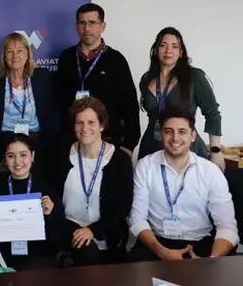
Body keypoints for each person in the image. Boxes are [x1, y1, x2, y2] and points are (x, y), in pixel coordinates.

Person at [128, 105, 238, 261]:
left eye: (182, 132)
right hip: (157, 242)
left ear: (193, 135)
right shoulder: (145, 166)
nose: (175, 138)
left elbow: (227, 226)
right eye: (168, 131)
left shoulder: (210, 171)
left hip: (200, 242)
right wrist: (160, 251)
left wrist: (212, 260)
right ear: (161, 134)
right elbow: (137, 219)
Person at [56, 97, 133, 266]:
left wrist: (93, 230)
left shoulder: (120, 159)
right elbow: (51, 192)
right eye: (79, 123)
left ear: (102, 125)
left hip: (107, 234)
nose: (85, 128)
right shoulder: (62, 153)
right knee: (87, 255)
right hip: (70, 231)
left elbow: (124, 204)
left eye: (91, 122)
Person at [56, 3, 140, 156]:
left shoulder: (116, 60)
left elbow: (130, 106)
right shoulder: (66, 58)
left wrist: (128, 145)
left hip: (109, 142)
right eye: (82, 23)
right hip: (72, 142)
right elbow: (58, 102)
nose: (87, 28)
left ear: (103, 26)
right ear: (76, 27)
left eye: (92, 23)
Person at [137, 27, 224, 169]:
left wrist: (215, 150)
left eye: (174, 46)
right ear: (156, 50)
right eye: (163, 45)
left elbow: (212, 113)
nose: (168, 51)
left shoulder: (194, 77)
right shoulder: (147, 79)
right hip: (152, 147)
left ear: (181, 52)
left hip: (186, 147)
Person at [0, 134, 62, 272]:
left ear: (32, 156)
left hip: (39, 256)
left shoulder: (46, 188)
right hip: (1, 255)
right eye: (11, 156)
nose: (17, 162)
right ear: (5, 159)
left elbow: (57, 240)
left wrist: (48, 215)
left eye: (23, 155)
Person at [0, 32, 60, 176]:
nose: (15, 56)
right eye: (10, 51)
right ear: (4, 56)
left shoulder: (41, 78)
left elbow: (51, 110)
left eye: (20, 50)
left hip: (35, 138)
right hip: (5, 139)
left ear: (28, 54)